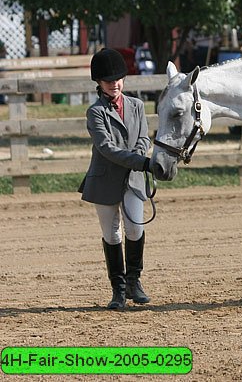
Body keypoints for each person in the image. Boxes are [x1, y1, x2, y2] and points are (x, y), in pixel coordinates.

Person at [79, 48, 154, 310]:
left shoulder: (137, 106)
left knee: (136, 228)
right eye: (108, 81)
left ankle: (134, 282)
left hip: (133, 178)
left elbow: (144, 137)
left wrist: (139, 153)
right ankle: (118, 289)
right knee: (112, 234)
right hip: (105, 179)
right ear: (99, 83)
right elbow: (107, 148)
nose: (114, 84)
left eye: (118, 79)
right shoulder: (95, 112)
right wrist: (141, 161)